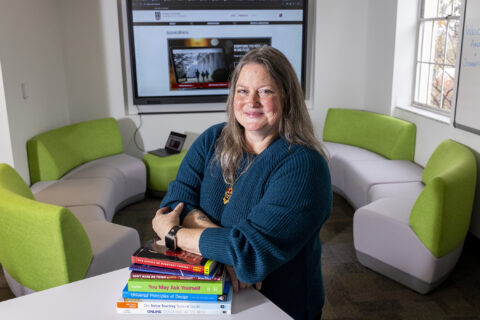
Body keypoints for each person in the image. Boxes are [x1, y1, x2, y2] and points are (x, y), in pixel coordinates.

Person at [152, 46, 332, 320]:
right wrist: (228, 254)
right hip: (210, 295)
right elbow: (174, 205)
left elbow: (251, 251)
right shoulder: (212, 139)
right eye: (243, 91)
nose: (252, 102)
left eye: (266, 91)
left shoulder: (304, 166)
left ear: (288, 98)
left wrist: (173, 234)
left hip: (277, 307)